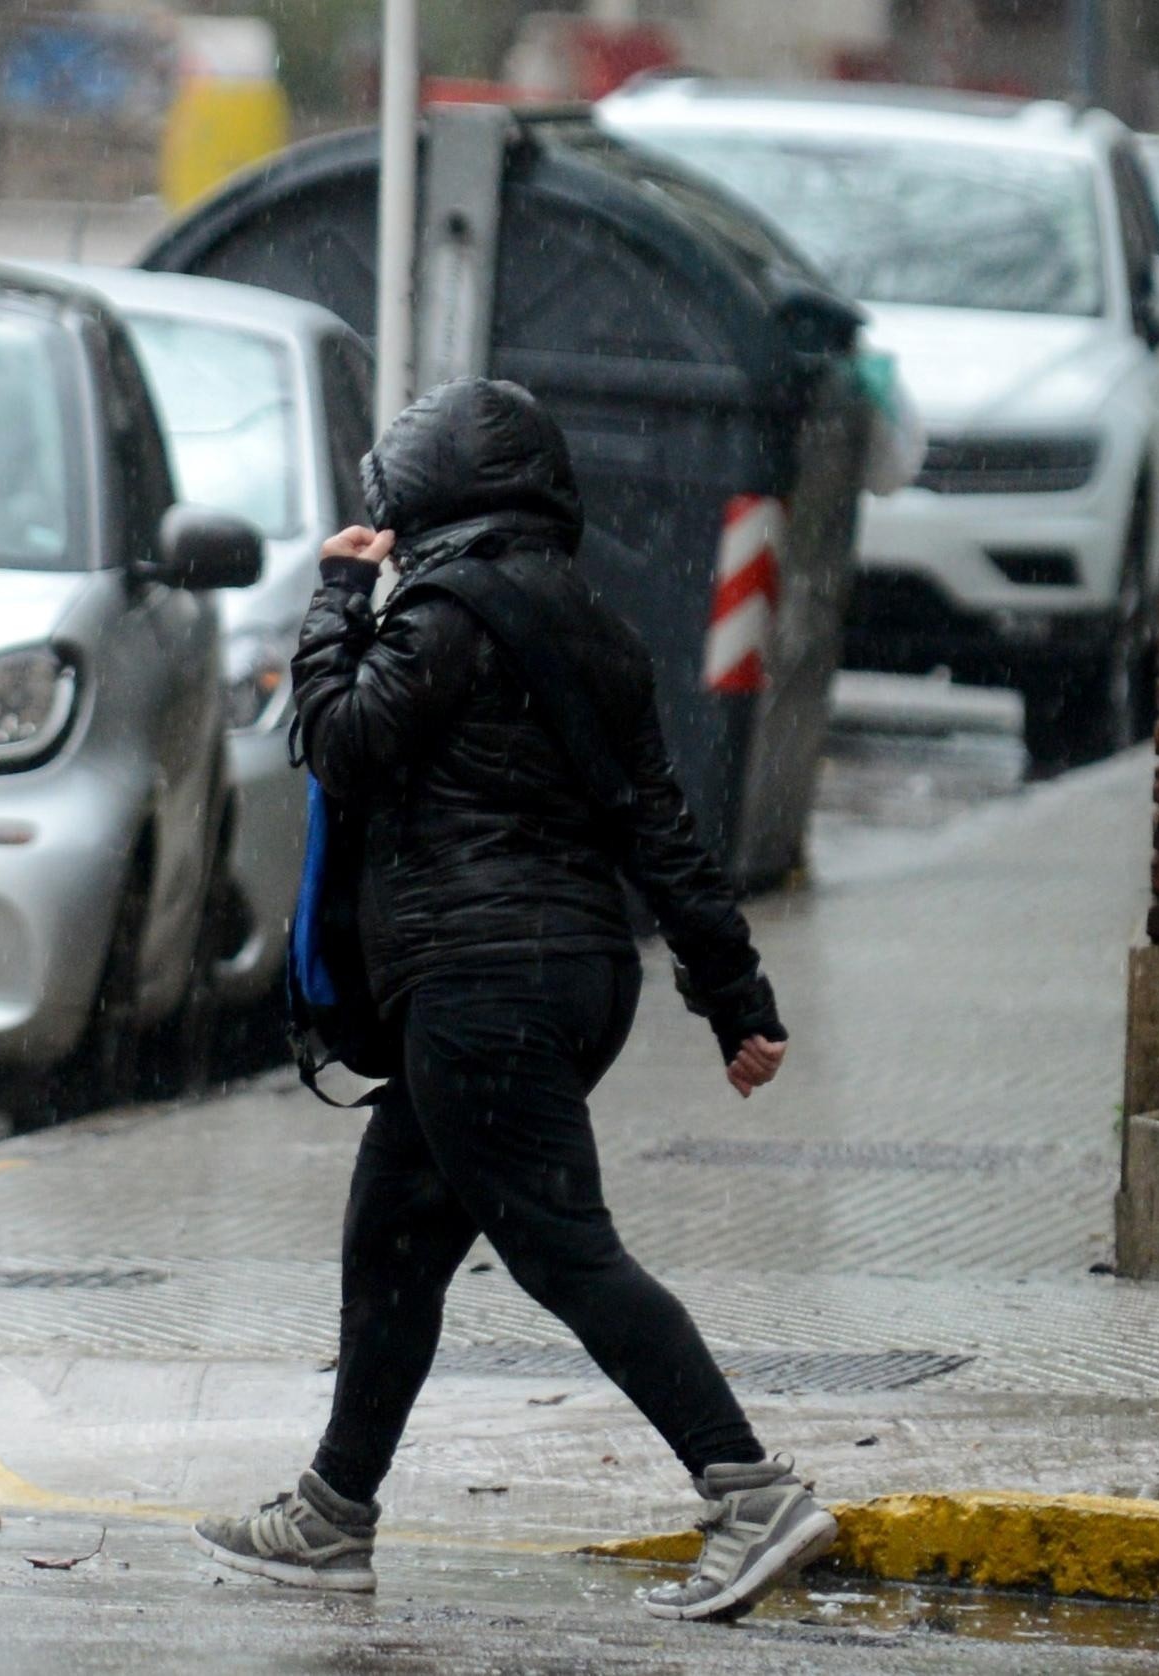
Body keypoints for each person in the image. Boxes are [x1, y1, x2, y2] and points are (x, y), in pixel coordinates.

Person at [193, 378, 827, 1623]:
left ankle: (750, 1488)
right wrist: (731, 991)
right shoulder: (589, 620)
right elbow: (661, 824)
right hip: (569, 974)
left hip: (483, 979)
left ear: (423, 499)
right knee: (394, 1236)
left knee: (563, 1249)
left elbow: (342, 741)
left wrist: (335, 601)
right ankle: (332, 1510)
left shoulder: (444, 610)